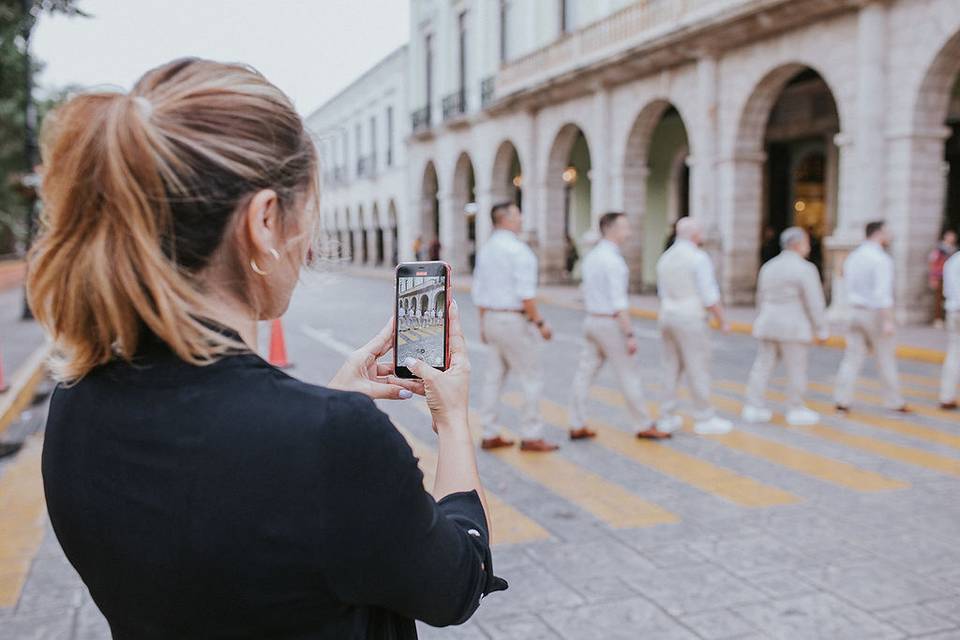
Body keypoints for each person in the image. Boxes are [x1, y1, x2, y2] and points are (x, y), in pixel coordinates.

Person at [29, 58, 505, 639]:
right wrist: (450, 418)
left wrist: (315, 407)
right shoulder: (332, 442)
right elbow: (456, 584)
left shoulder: (76, 400)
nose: (308, 238)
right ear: (264, 219)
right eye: (307, 210)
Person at [570, 213, 669, 440]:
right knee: (628, 374)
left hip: (592, 319)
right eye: (625, 227)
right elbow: (618, 302)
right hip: (609, 323)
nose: (629, 232)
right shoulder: (613, 261)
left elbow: (585, 291)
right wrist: (629, 333)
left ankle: (577, 422)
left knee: (585, 373)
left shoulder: (593, 256)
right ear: (610, 229)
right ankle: (643, 423)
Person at [472, 202, 556, 452]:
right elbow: (526, 296)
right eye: (518, 215)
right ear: (505, 219)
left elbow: (479, 292)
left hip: (491, 318)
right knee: (531, 376)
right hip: (512, 319)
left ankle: (489, 430)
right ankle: (531, 434)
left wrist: (483, 325)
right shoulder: (519, 251)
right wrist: (540, 323)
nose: (521, 220)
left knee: (494, 377)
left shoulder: (486, 250)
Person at [742, 227, 828, 426]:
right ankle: (795, 407)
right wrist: (821, 328)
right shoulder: (805, 269)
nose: (808, 247)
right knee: (796, 368)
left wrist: (760, 318)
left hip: (768, 322)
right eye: (806, 242)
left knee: (762, 366)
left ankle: (753, 406)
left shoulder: (769, 266)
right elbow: (814, 302)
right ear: (797, 244)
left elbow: (760, 297)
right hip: (793, 325)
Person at [655, 217, 733, 435]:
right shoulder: (698, 258)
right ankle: (704, 416)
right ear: (695, 235)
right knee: (697, 366)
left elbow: (662, 292)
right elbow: (709, 295)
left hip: (668, 315)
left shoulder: (666, 258)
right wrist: (722, 320)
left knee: (670, 367)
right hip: (690, 317)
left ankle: (667, 415)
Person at [834, 220, 909, 414]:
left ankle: (842, 398)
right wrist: (888, 321)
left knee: (852, 358)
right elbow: (882, 295)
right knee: (885, 358)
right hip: (873, 313)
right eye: (887, 231)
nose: (889, 235)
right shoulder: (881, 259)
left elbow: (844, 280)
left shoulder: (853, 257)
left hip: (854, 310)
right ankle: (894, 400)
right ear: (878, 233)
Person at [939, 248, 960, 409]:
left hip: (953, 311)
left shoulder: (952, 261)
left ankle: (947, 396)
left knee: (954, 353)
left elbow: (947, 290)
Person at [929, 229, 958, 326]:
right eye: (949, 236)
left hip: (951, 276)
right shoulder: (939, 249)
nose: (951, 238)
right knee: (939, 298)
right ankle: (938, 319)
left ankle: (946, 318)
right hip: (940, 276)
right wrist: (933, 277)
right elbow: (934, 263)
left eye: (953, 236)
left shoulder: (954, 250)